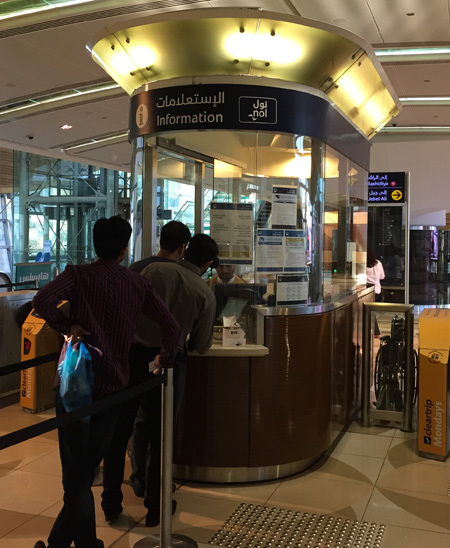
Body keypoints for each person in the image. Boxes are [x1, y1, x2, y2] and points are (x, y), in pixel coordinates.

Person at [32, 216, 180, 548]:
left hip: (74, 385)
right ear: (125, 248)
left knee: (76, 475)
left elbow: (41, 301)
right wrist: (164, 360)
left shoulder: (78, 275)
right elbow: (171, 327)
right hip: (114, 387)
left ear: (95, 244)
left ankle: (83, 545)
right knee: (84, 472)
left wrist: (68, 325)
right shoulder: (137, 284)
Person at [100, 220, 191, 523]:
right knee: (159, 431)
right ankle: (156, 505)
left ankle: (112, 501)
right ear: (182, 248)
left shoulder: (135, 269)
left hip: (128, 357)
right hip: (161, 361)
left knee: (121, 430)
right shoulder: (183, 276)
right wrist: (167, 355)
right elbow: (172, 325)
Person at [129, 233, 218, 527]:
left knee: (137, 421)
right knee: (162, 429)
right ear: (208, 263)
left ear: (185, 250)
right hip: (170, 361)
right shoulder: (204, 292)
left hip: (135, 355)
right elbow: (201, 344)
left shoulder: (154, 270)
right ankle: (156, 503)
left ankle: (137, 481)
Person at [366, 246, 385, 337]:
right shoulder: (378, 263)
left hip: (367, 289)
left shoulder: (362, 264)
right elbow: (382, 276)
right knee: (370, 310)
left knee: (368, 310)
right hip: (377, 290)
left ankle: (376, 332)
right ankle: (375, 332)